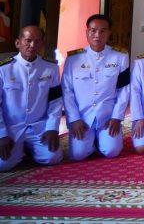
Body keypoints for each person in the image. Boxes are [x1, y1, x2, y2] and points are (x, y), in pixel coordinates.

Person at [63, 14, 129, 161]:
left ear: (109, 33)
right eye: (93, 30)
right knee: (78, 155)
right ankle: (91, 141)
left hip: (107, 117)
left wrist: (117, 116)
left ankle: (100, 140)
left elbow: (124, 90)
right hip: (83, 118)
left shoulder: (120, 56)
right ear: (87, 32)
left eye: (103, 31)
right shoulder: (73, 58)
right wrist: (74, 119)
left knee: (111, 151)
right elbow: (67, 91)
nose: (97, 35)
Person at [0, 26, 62, 170]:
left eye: (37, 41)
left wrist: (52, 127)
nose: (32, 45)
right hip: (11, 127)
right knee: (2, 164)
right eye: (28, 41)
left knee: (52, 157)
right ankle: (20, 148)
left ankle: (28, 148)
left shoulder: (51, 67)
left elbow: (55, 101)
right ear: (18, 43)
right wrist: (1, 134)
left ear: (42, 44)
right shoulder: (4, 69)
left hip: (38, 126)